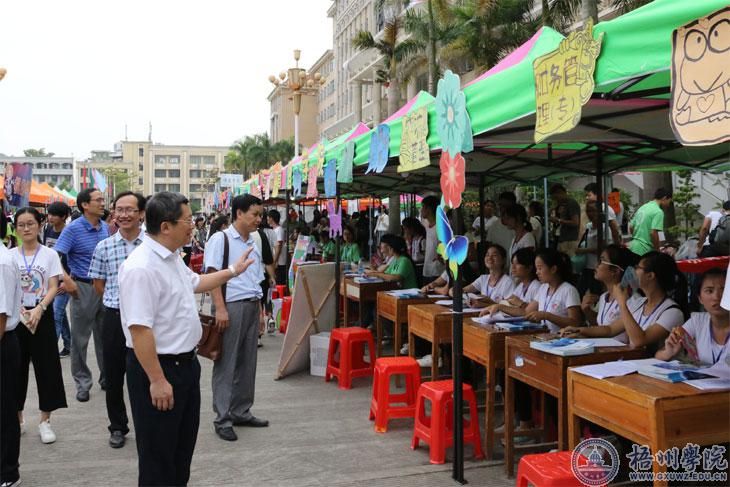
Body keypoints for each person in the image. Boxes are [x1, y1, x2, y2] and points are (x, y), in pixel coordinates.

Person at [119, 192, 256, 485]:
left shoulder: (171, 259)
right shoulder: (141, 267)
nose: (192, 225)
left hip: (185, 366)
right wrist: (157, 380)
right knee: (158, 457)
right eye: (187, 220)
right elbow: (139, 330)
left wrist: (233, 271)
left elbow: (197, 283)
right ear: (166, 226)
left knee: (180, 452)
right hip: (159, 370)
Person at [204, 194, 270, 442]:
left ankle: (241, 410)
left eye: (260, 215)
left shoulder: (253, 241)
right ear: (239, 213)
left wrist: (261, 311)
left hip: (251, 304)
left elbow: (256, 278)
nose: (258, 220)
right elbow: (212, 276)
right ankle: (222, 417)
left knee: (247, 362)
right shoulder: (220, 240)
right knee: (226, 364)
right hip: (230, 306)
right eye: (254, 214)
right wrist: (219, 308)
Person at [87, 191, 146, 449]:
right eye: (118, 209)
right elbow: (98, 284)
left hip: (146, 320)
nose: (123, 214)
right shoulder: (104, 246)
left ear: (142, 214)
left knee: (145, 374)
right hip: (114, 317)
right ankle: (118, 426)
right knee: (113, 375)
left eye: (129, 209)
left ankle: (147, 426)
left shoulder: (153, 245)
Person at [12, 207, 67, 444]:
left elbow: (54, 285)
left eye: (30, 224)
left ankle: (45, 421)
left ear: (39, 225)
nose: (26, 228)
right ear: (15, 228)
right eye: (21, 225)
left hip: (41, 315)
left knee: (47, 369)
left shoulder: (49, 254)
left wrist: (40, 308)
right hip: (16, 318)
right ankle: (18, 419)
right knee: (15, 371)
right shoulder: (9, 255)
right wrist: (20, 309)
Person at [562, 251, 686, 349]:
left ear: (650, 275)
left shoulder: (672, 312)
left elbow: (640, 340)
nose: (633, 271)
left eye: (638, 267)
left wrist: (622, 303)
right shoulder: (640, 303)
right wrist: (579, 330)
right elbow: (610, 329)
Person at [54, 187, 109, 402]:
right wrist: (66, 280)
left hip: (104, 287)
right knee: (80, 339)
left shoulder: (105, 228)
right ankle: (82, 382)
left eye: (102, 200)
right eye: (98, 200)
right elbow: (54, 256)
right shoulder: (73, 229)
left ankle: (107, 378)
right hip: (82, 287)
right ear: (85, 205)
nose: (102, 203)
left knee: (106, 336)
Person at [656, 268, 728, 365]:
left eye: (724, 290)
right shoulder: (698, 321)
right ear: (700, 299)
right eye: (709, 291)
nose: (716, 297)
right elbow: (658, 355)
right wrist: (669, 353)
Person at [1, 208, 23, 487]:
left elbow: (2, 314)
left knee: (4, 412)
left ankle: (7, 472)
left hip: (4, 342)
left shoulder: (3, 262)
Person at [579, 245, 639, 327]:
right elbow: (600, 328)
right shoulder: (604, 297)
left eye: (601, 261)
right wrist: (587, 311)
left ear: (615, 271)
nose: (596, 265)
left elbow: (610, 331)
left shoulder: (632, 300)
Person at [43, 201, 72, 357]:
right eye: (50, 214)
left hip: (64, 280)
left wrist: (67, 281)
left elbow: (73, 259)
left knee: (55, 314)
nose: (51, 217)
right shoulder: (48, 229)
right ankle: (68, 345)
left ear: (64, 217)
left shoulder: (68, 233)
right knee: (60, 314)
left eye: (54, 215)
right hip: (50, 279)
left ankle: (47, 350)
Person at [480, 248, 541, 317]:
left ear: (529, 267)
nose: (513, 267)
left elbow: (529, 312)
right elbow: (506, 302)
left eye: (517, 264)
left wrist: (521, 304)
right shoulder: (521, 286)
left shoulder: (537, 286)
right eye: (512, 263)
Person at [575, 201, 613, 297]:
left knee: (596, 294)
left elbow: (604, 249)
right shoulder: (588, 226)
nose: (590, 213)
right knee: (580, 292)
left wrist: (585, 250)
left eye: (593, 211)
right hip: (586, 266)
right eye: (588, 211)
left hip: (597, 266)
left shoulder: (604, 229)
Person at [629, 187, 673, 256]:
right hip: (644, 250)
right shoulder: (658, 212)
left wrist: (638, 237)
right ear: (664, 198)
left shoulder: (643, 207)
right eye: (669, 201)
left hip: (633, 246)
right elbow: (653, 233)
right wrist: (657, 250)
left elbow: (631, 227)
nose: (668, 205)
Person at [549, 184, 581, 257]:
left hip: (569, 241)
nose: (556, 200)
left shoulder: (571, 203)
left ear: (561, 193)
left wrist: (559, 220)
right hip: (561, 239)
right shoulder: (560, 205)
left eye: (556, 198)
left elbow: (575, 222)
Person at [420, 196, 445, 285]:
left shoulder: (441, 226)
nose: (421, 210)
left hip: (438, 271)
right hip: (427, 269)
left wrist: (441, 257)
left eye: (423, 207)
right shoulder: (426, 225)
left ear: (429, 209)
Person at [485, 192, 517, 258]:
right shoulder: (493, 227)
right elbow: (489, 248)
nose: (503, 208)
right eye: (501, 205)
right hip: (498, 267)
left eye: (506, 206)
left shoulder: (518, 227)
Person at [268, 209, 288, 285]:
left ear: (271, 218)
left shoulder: (279, 230)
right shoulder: (274, 230)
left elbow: (278, 248)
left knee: (280, 283)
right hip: (276, 261)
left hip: (279, 262)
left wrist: (274, 262)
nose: (267, 219)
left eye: (268, 217)